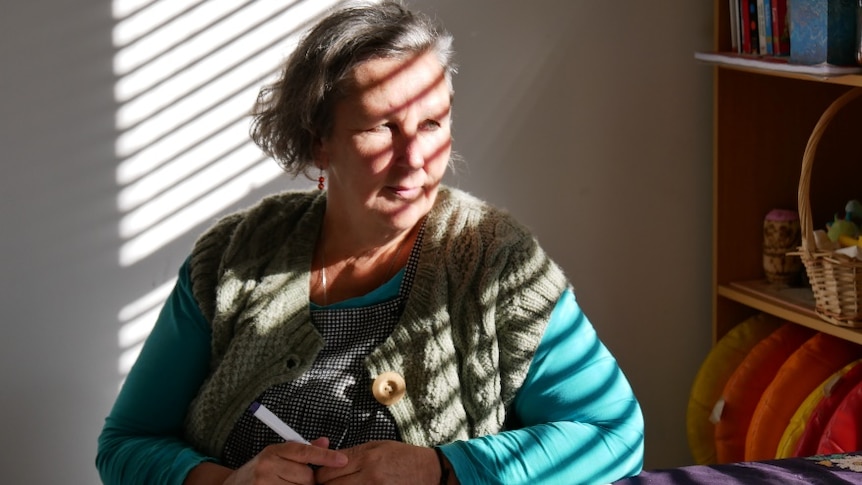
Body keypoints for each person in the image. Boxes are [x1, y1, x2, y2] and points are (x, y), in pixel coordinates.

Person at [96, 1, 645, 484]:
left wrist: (440, 468)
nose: (413, 161)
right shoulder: (236, 258)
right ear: (321, 143)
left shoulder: (497, 261)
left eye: (431, 124)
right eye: (380, 127)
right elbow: (126, 444)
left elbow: (614, 436)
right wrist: (227, 482)